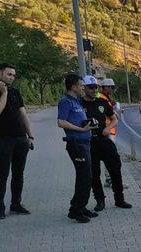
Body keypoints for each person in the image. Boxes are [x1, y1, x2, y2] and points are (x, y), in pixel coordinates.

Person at [0, 63, 34, 219]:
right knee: (2, 173)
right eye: (9, 74)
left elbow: (23, 115)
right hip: (2, 139)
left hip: (21, 138)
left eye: (14, 75)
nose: (12, 78)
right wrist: (3, 93)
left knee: (18, 173)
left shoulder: (15, 92)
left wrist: (30, 136)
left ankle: (16, 204)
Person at [80, 76, 132, 212]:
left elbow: (114, 119)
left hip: (104, 140)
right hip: (89, 143)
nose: (94, 90)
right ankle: (100, 200)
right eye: (91, 87)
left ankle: (119, 199)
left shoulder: (102, 102)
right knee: (94, 173)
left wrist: (108, 128)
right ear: (84, 88)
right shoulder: (79, 104)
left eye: (95, 87)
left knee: (115, 169)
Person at [57, 74, 98, 223]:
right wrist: (81, 130)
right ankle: (75, 210)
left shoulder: (77, 101)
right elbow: (61, 122)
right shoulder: (65, 102)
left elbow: (77, 120)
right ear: (73, 87)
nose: (82, 88)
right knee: (84, 177)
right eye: (81, 85)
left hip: (84, 143)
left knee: (86, 176)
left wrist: (88, 124)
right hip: (76, 144)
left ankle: (81, 206)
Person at [98, 77, 118, 189]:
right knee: (110, 156)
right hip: (107, 130)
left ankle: (110, 179)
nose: (113, 89)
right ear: (106, 87)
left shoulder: (106, 98)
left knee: (109, 156)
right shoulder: (102, 98)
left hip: (109, 130)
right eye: (112, 87)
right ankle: (110, 179)